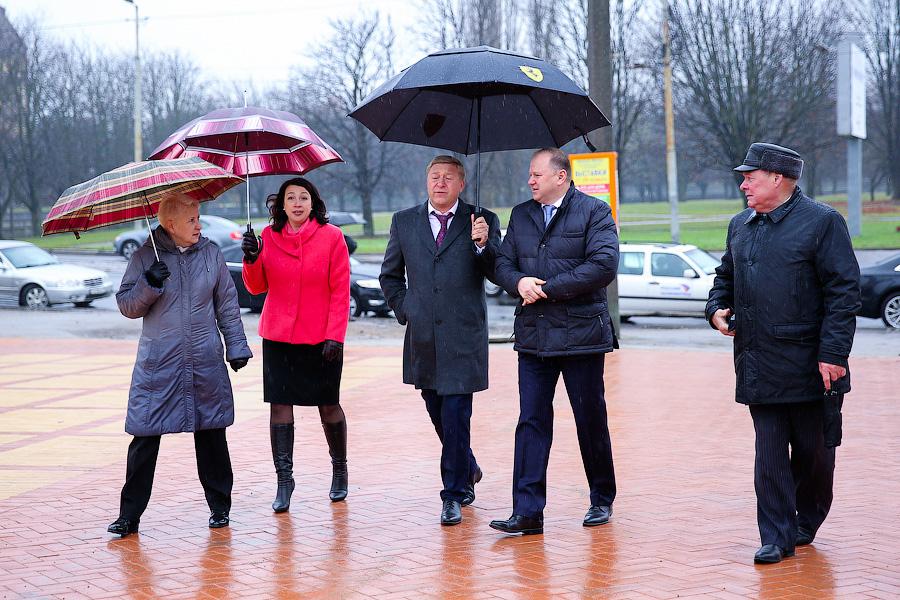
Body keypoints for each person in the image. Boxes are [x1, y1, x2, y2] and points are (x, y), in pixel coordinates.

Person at [707, 142, 861, 564]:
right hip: (758, 361)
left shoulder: (823, 222)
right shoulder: (740, 225)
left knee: (815, 454)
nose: (743, 185)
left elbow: (844, 293)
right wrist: (716, 309)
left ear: (777, 178)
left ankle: (806, 519)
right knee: (770, 454)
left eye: (750, 177)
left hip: (813, 364)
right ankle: (776, 535)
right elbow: (724, 279)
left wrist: (833, 353)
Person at [489, 147, 619, 536]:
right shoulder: (522, 214)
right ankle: (527, 512)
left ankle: (601, 498)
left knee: (589, 418)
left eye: (537, 174)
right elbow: (502, 263)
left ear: (560, 177)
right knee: (531, 421)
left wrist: (545, 289)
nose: (530, 181)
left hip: (581, 335)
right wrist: (517, 282)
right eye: (530, 175)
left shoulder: (594, 211)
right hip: (534, 337)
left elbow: (602, 266)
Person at [108, 194, 252, 537]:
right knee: (144, 439)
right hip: (160, 365)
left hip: (204, 361)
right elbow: (127, 305)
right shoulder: (146, 256)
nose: (199, 225)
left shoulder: (211, 254)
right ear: (170, 224)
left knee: (212, 435)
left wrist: (236, 346)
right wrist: (150, 283)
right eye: (191, 220)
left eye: (198, 217)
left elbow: (227, 306)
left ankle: (220, 507)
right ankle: (129, 516)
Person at [379, 155, 501, 526]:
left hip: (464, 336)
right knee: (436, 408)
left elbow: (497, 274)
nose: (441, 183)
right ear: (426, 181)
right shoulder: (404, 221)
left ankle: (453, 493)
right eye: (435, 176)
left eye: (449, 178)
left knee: (455, 414)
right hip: (425, 337)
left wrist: (484, 245)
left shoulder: (483, 220)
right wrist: (408, 310)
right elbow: (390, 276)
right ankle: (469, 465)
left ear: (462, 184)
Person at [241, 177, 351, 513]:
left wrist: (335, 335)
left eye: (304, 197)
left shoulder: (332, 238)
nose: (298, 203)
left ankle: (339, 468)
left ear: (314, 203)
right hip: (279, 338)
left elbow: (340, 290)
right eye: (291, 198)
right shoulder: (268, 237)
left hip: (322, 339)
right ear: (282, 205)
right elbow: (257, 287)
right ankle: (284, 479)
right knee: (279, 407)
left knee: (327, 405)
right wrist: (252, 258)